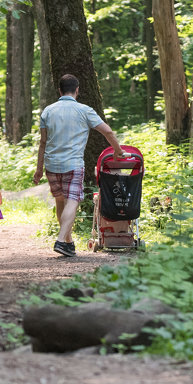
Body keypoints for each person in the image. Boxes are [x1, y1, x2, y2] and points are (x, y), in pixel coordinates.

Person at [33, 73, 123, 257]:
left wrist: (39, 169)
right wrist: (118, 150)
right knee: (72, 201)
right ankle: (60, 239)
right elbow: (108, 132)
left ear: (59, 90)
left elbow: (43, 142)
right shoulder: (84, 110)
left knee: (60, 201)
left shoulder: (48, 111)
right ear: (77, 90)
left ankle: (68, 242)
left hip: (51, 163)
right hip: (73, 164)